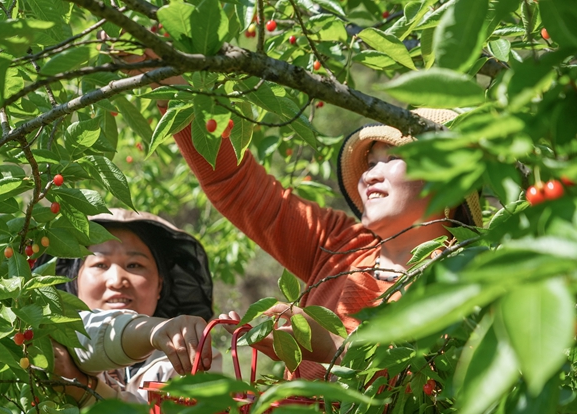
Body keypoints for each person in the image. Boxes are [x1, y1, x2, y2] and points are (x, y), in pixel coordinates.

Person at [165, 105, 482, 380]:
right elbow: (236, 185)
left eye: (394, 158)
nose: (371, 175)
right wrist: (168, 82)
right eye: (371, 163)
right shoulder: (339, 245)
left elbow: (429, 392)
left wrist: (333, 347)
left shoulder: (466, 282)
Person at [37, 209, 221, 406]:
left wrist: (82, 387)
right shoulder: (41, 342)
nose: (116, 281)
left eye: (134, 265)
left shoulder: (192, 359)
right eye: (100, 264)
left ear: (160, 283)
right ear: (74, 281)